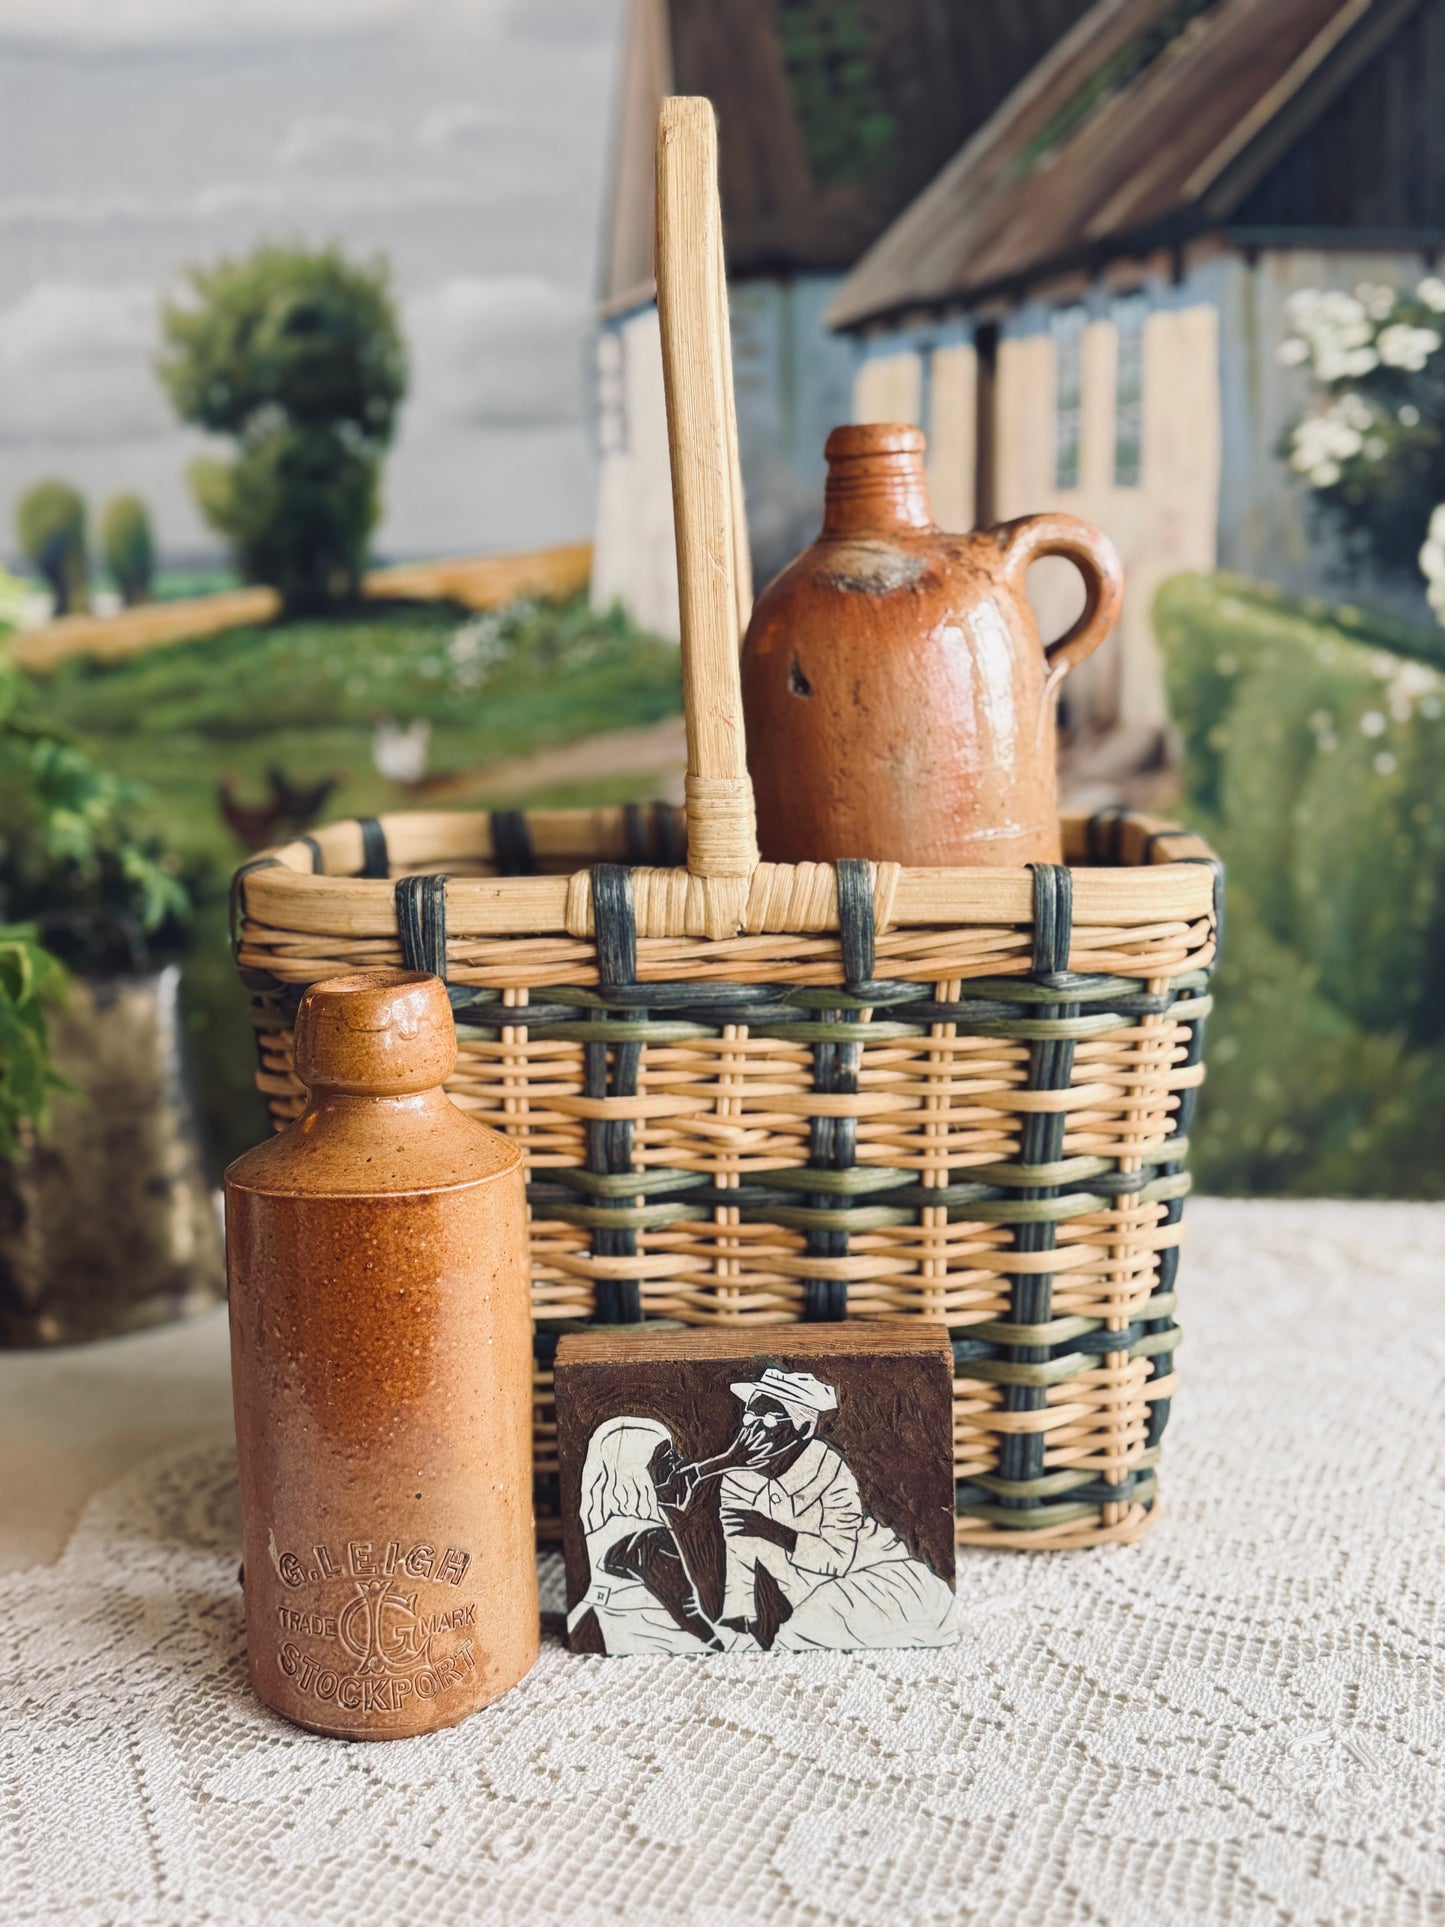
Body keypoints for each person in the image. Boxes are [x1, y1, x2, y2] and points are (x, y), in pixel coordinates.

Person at [716, 1369, 957, 1651]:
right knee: (755, 1642)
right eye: (749, 1418)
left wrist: (771, 1530)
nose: (753, 1430)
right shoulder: (738, 1478)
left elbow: (838, 1557)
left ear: (803, 1429)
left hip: (878, 1576)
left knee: (799, 1633)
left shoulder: (829, 1470)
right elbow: (739, 1552)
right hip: (808, 1589)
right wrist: (742, 1616)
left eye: (769, 1420)